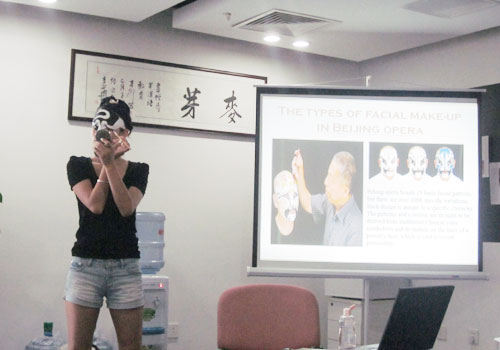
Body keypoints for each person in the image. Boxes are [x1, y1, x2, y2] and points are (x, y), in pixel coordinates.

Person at [65, 96, 149, 350]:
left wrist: (110, 164)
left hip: (126, 267)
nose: (100, 135)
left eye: (110, 129)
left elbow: (125, 208)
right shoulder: (77, 164)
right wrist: (107, 164)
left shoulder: (138, 170)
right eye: (96, 128)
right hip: (85, 266)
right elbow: (95, 204)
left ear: (126, 133)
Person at [292, 149, 362, 246]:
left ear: (345, 191)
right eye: (328, 175)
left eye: (332, 179)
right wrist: (300, 171)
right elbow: (308, 203)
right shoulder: (331, 201)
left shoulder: (357, 229)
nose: (325, 182)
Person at [272, 170, 299, 236]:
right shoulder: (268, 230)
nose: (292, 203)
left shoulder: (306, 226)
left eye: (295, 195)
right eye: (286, 195)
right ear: (275, 200)